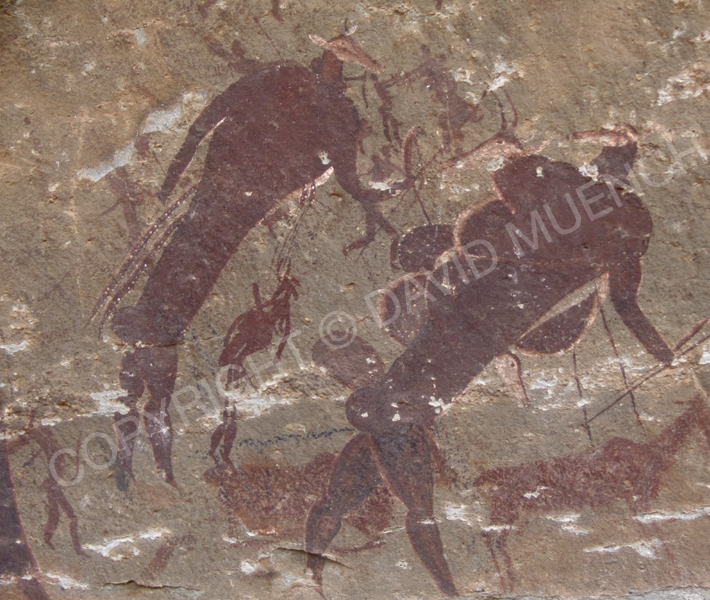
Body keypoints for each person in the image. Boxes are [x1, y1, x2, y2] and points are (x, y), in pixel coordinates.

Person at [305, 125, 676, 596]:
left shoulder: (560, 206)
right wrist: (667, 356)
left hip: (433, 365)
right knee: (407, 506)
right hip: (430, 376)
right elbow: (627, 305)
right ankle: (440, 589)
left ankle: (380, 580)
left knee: (376, 500)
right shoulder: (614, 227)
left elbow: (522, 191)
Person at [103, 33, 392, 487]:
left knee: (182, 272)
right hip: (231, 203)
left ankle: (144, 442)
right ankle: (146, 440)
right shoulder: (327, 103)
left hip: (224, 199)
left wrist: (175, 174)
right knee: (183, 284)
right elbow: (346, 176)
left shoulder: (300, 88)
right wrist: (372, 197)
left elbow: (207, 122)